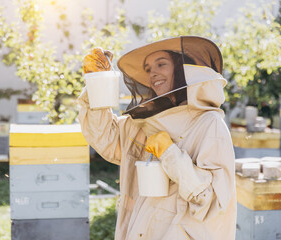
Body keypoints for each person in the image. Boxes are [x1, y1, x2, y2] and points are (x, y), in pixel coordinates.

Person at [78, 36, 236, 240]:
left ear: (181, 70)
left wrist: (170, 154)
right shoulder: (143, 123)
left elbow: (212, 200)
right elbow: (105, 139)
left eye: (161, 64)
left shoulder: (209, 124)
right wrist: (95, 84)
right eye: (148, 69)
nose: (153, 73)